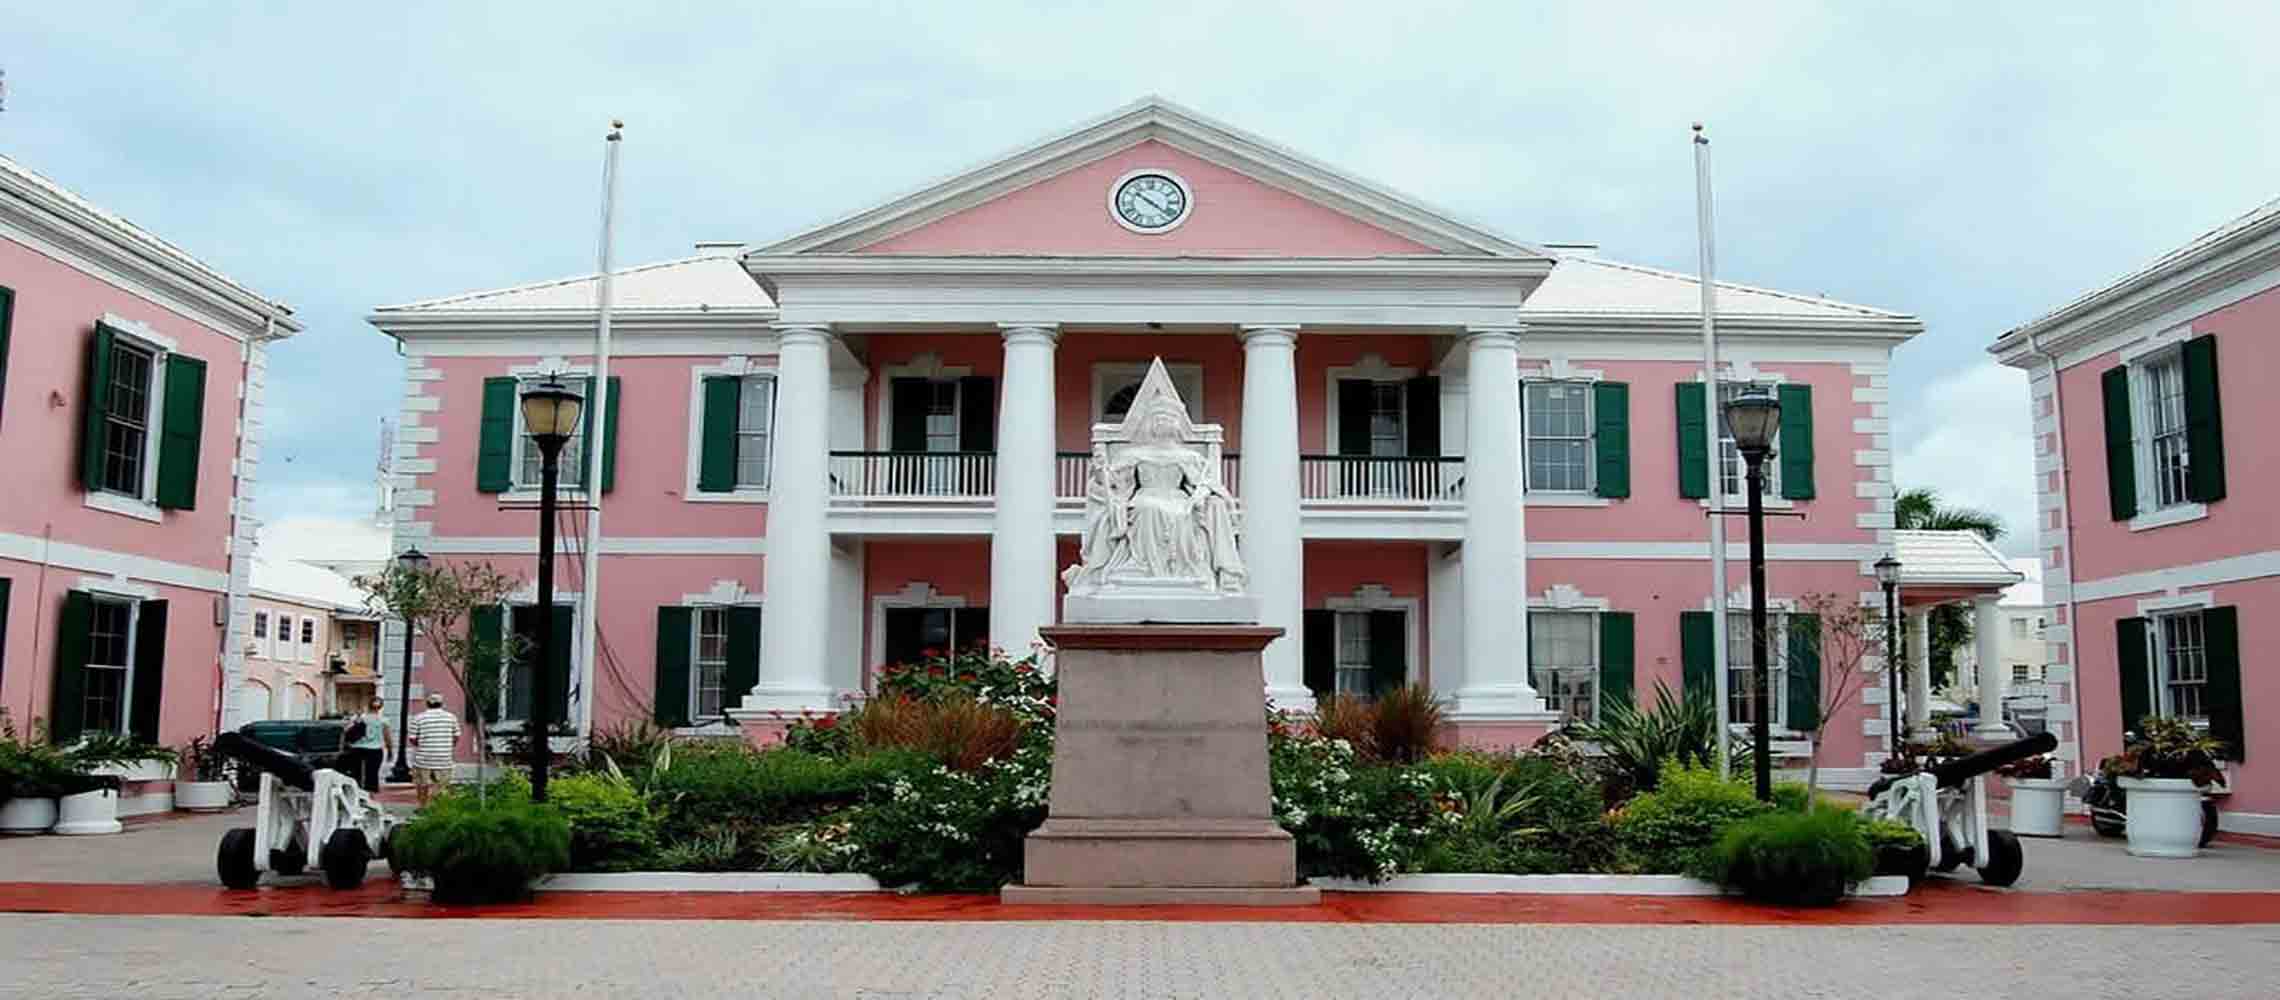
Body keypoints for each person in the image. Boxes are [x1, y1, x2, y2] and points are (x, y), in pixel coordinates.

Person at [406, 693, 460, 806]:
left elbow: (412, 738)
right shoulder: (451, 717)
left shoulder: (419, 718)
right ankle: (438, 807)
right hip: (444, 758)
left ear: (427, 703)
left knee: (422, 785)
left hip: (423, 758)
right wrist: (447, 745)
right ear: (441, 703)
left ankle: (423, 806)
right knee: (441, 786)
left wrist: (422, 744)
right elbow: (456, 736)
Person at [346, 697, 390, 793]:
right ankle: (370, 795)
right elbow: (387, 737)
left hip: (357, 748)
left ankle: (356, 792)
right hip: (375, 749)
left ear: (368, 705)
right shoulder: (383, 720)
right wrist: (390, 750)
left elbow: (347, 731)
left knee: (356, 773)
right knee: (372, 774)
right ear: (380, 707)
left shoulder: (359, 718)